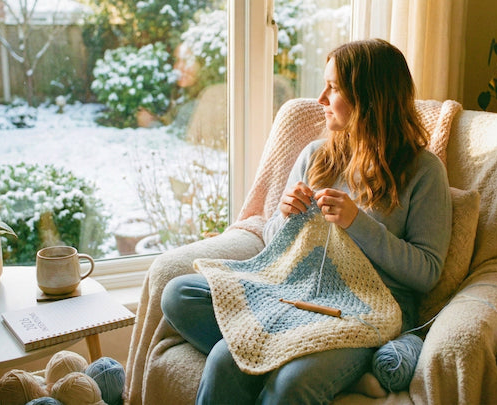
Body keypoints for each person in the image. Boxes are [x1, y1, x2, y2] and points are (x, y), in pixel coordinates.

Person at [160, 38, 453, 404]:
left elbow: (427, 272)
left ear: (370, 98)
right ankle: (280, 355)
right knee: (179, 294)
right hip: (294, 292)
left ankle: (290, 359)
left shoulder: (424, 171)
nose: (320, 99)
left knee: (278, 379)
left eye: (333, 88)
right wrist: (284, 215)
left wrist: (356, 223)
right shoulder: (317, 155)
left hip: (366, 310)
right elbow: (276, 245)